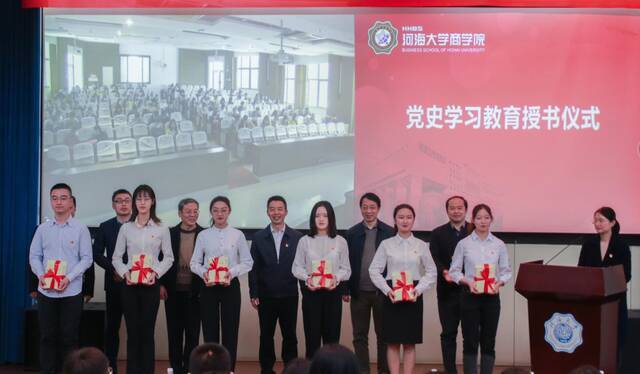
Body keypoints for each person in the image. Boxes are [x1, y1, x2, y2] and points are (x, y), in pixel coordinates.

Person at [29, 183, 93, 374]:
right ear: (50, 201)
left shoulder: (81, 229)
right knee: (47, 337)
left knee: (69, 338)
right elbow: (34, 256)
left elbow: (87, 259)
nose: (59, 202)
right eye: (54, 198)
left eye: (63, 198)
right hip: (46, 291)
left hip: (71, 291)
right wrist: (41, 275)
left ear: (71, 201)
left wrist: (69, 277)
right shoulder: (42, 229)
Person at [112, 184, 174, 374]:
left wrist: (155, 273)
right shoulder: (126, 228)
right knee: (133, 331)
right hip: (130, 286)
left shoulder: (162, 228)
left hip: (150, 286)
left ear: (152, 201)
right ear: (134, 202)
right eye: (138, 198)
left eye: (146, 198)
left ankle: (147, 371)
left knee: (147, 332)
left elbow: (169, 257)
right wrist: (125, 273)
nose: (142, 202)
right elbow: (116, 257)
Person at [369, 203, 437, 374]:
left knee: (409, 342)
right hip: (392, 293)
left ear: (414, 220)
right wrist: (387, 290)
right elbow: (374, 270)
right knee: (392, 342)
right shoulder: (386, 244)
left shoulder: (421, 245)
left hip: (413, 293)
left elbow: (431, 272)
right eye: (401, 217)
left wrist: (418, 290)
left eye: (409, 217)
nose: (405, 221)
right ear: (395, 220)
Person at [190, 196, 253, 372]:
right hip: (208, 287)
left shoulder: (238, 234)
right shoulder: (203, 235)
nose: (219, 213)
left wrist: (230, 273)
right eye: (216, 210)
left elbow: (248, 262)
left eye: (223, 210)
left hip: (230, 287)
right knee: (210, 332)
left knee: (230, 332)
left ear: (229, 211)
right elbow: (194, 263)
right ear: (211, 212)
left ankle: (229, 370)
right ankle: (211, 370)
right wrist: (205, 274)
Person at [449, 204, 512, 374]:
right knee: (470, 341)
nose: (482, 221)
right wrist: (467, 282)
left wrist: (499, 283)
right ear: (473, 220)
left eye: (486, 217)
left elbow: (507, 272)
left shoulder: (499, 244)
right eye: (479, 218)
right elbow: (454, 271)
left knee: (488, 341)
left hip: (491, 298)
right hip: (470, 297)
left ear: (491, 219)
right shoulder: (464, 244)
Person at [248, 196, 304, 374]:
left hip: (289, 294)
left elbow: (302, 266)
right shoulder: (258, 237)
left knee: (290, 336)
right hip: (266, 295)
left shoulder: (297, 237)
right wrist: (253, 293)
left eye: (280, 209)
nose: (276, 212)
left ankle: (291, 369)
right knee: (266, 336)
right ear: (267, 212)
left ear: (286, 212)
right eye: (272, 209)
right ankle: (266, 369)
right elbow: (253, 267)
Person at [292, 201, 351, 359]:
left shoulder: (341, 241)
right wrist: (307, 278)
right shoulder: (304, 241)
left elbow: (347, 270)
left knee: (332, 341)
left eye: (325, 215)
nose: (321, 218)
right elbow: (296, 268)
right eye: (317, 215)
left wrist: (336, 278)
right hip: (312, 295)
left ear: (331, 217)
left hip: (333, 295)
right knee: (312, 340)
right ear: (312, 219)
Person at [344, 192, 394, 374]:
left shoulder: (389, 232)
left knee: (384, 336)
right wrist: (346, 288)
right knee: (359, 336)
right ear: (360, 209)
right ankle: (362, 371)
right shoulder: (352, 233)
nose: (368, 211)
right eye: (365, 207)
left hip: (383, 293)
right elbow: (346, 263)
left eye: (372, 207)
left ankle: (384, 371)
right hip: (359, 293)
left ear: (378, 209)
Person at [578, 207, 631, 371]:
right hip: (591, 302)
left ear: (612, 223)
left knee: (613, 343)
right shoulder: (589, 244)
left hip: (614, 303)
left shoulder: (621, 245)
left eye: (601, 220)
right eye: (595, 220)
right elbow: (581, 270)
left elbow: (626, 275)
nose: (597, 224)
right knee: (590, 340)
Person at [160, 198, 205, 374]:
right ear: (180, 213)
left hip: (196, 293)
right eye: (188, 211)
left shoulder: (204, 233)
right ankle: (176, 369)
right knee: (174, 334)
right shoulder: (169, 233)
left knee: (193, 334)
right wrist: (160, 284)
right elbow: (160, 259)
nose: (192, 215)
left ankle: (190, 369)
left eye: (195, 211)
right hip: (172, 291)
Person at [429, 196, 473, 374]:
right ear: (447, 211)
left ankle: (470, 370)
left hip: (471, 291)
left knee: (470, 334)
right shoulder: (437, 233)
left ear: (466, 209)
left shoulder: (474, 231)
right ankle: (450, 371)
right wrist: (444, 272)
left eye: (459, 208)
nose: (456, 211)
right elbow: (434, 258)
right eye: (452, 208)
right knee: (448, 334)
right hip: (447, 292)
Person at [92, 189, 132, 374]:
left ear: (131, 204)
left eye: (126, 200)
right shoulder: (105, 226)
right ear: (113, 205)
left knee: (135, 329)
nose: (123, 204)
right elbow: (97, 253)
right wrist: (114, 269)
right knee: (112, 329)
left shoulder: (141, 224)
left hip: (137, 285)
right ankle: (111, 367)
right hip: (114, 283)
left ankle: (134, 367)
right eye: (119, 201)